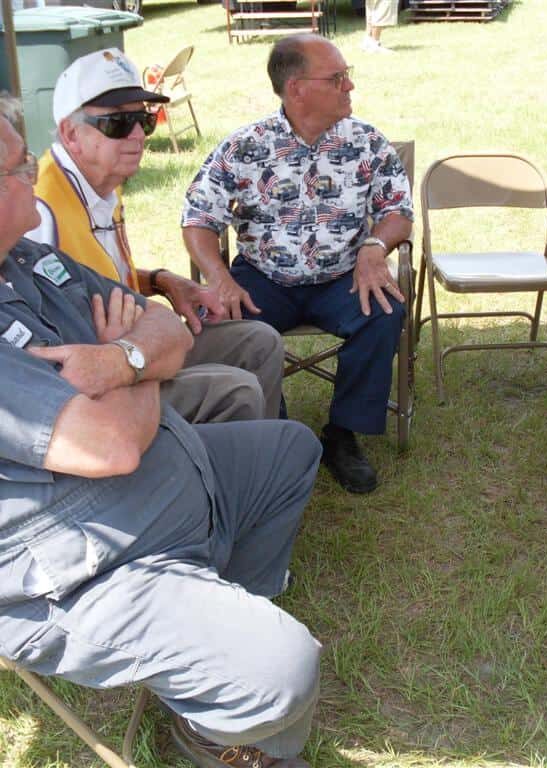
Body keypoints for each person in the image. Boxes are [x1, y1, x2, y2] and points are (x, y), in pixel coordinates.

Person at [0, 96, 321, 768]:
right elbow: (109, 446)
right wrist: (138, 371)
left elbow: (165, 328)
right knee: (284, 669)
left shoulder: (26, 262)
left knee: (289, 450)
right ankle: (224, 730)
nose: (31, 173)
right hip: (84, 568)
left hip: (158, 491)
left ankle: (211, 641)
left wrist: (120, 360)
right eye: (14, 167)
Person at [182, 33, 413, 494]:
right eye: (338, 78)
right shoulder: (245, 147)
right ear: (296, 89)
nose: (350, 87)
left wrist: (374, 248)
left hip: (343, 276)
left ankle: (342, 435)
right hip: (264, 278)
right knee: (225, 319)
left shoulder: (367, 142)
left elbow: (398, 213)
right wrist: (219, 278)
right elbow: (198, 219)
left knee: (385, 312)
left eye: (348, 77)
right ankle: (276, 431)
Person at [26, 47, 285, 423]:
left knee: (259, 342)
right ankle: (200, 472)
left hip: (135, 344)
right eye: (117, 123)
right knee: (235, 389)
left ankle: (263, 451)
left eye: (144, 121)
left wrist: (162, 281)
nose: (137, 136)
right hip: (101, 383)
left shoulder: (101, 184)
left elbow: (94, 278)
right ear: (70, 133)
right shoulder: (39, 210)